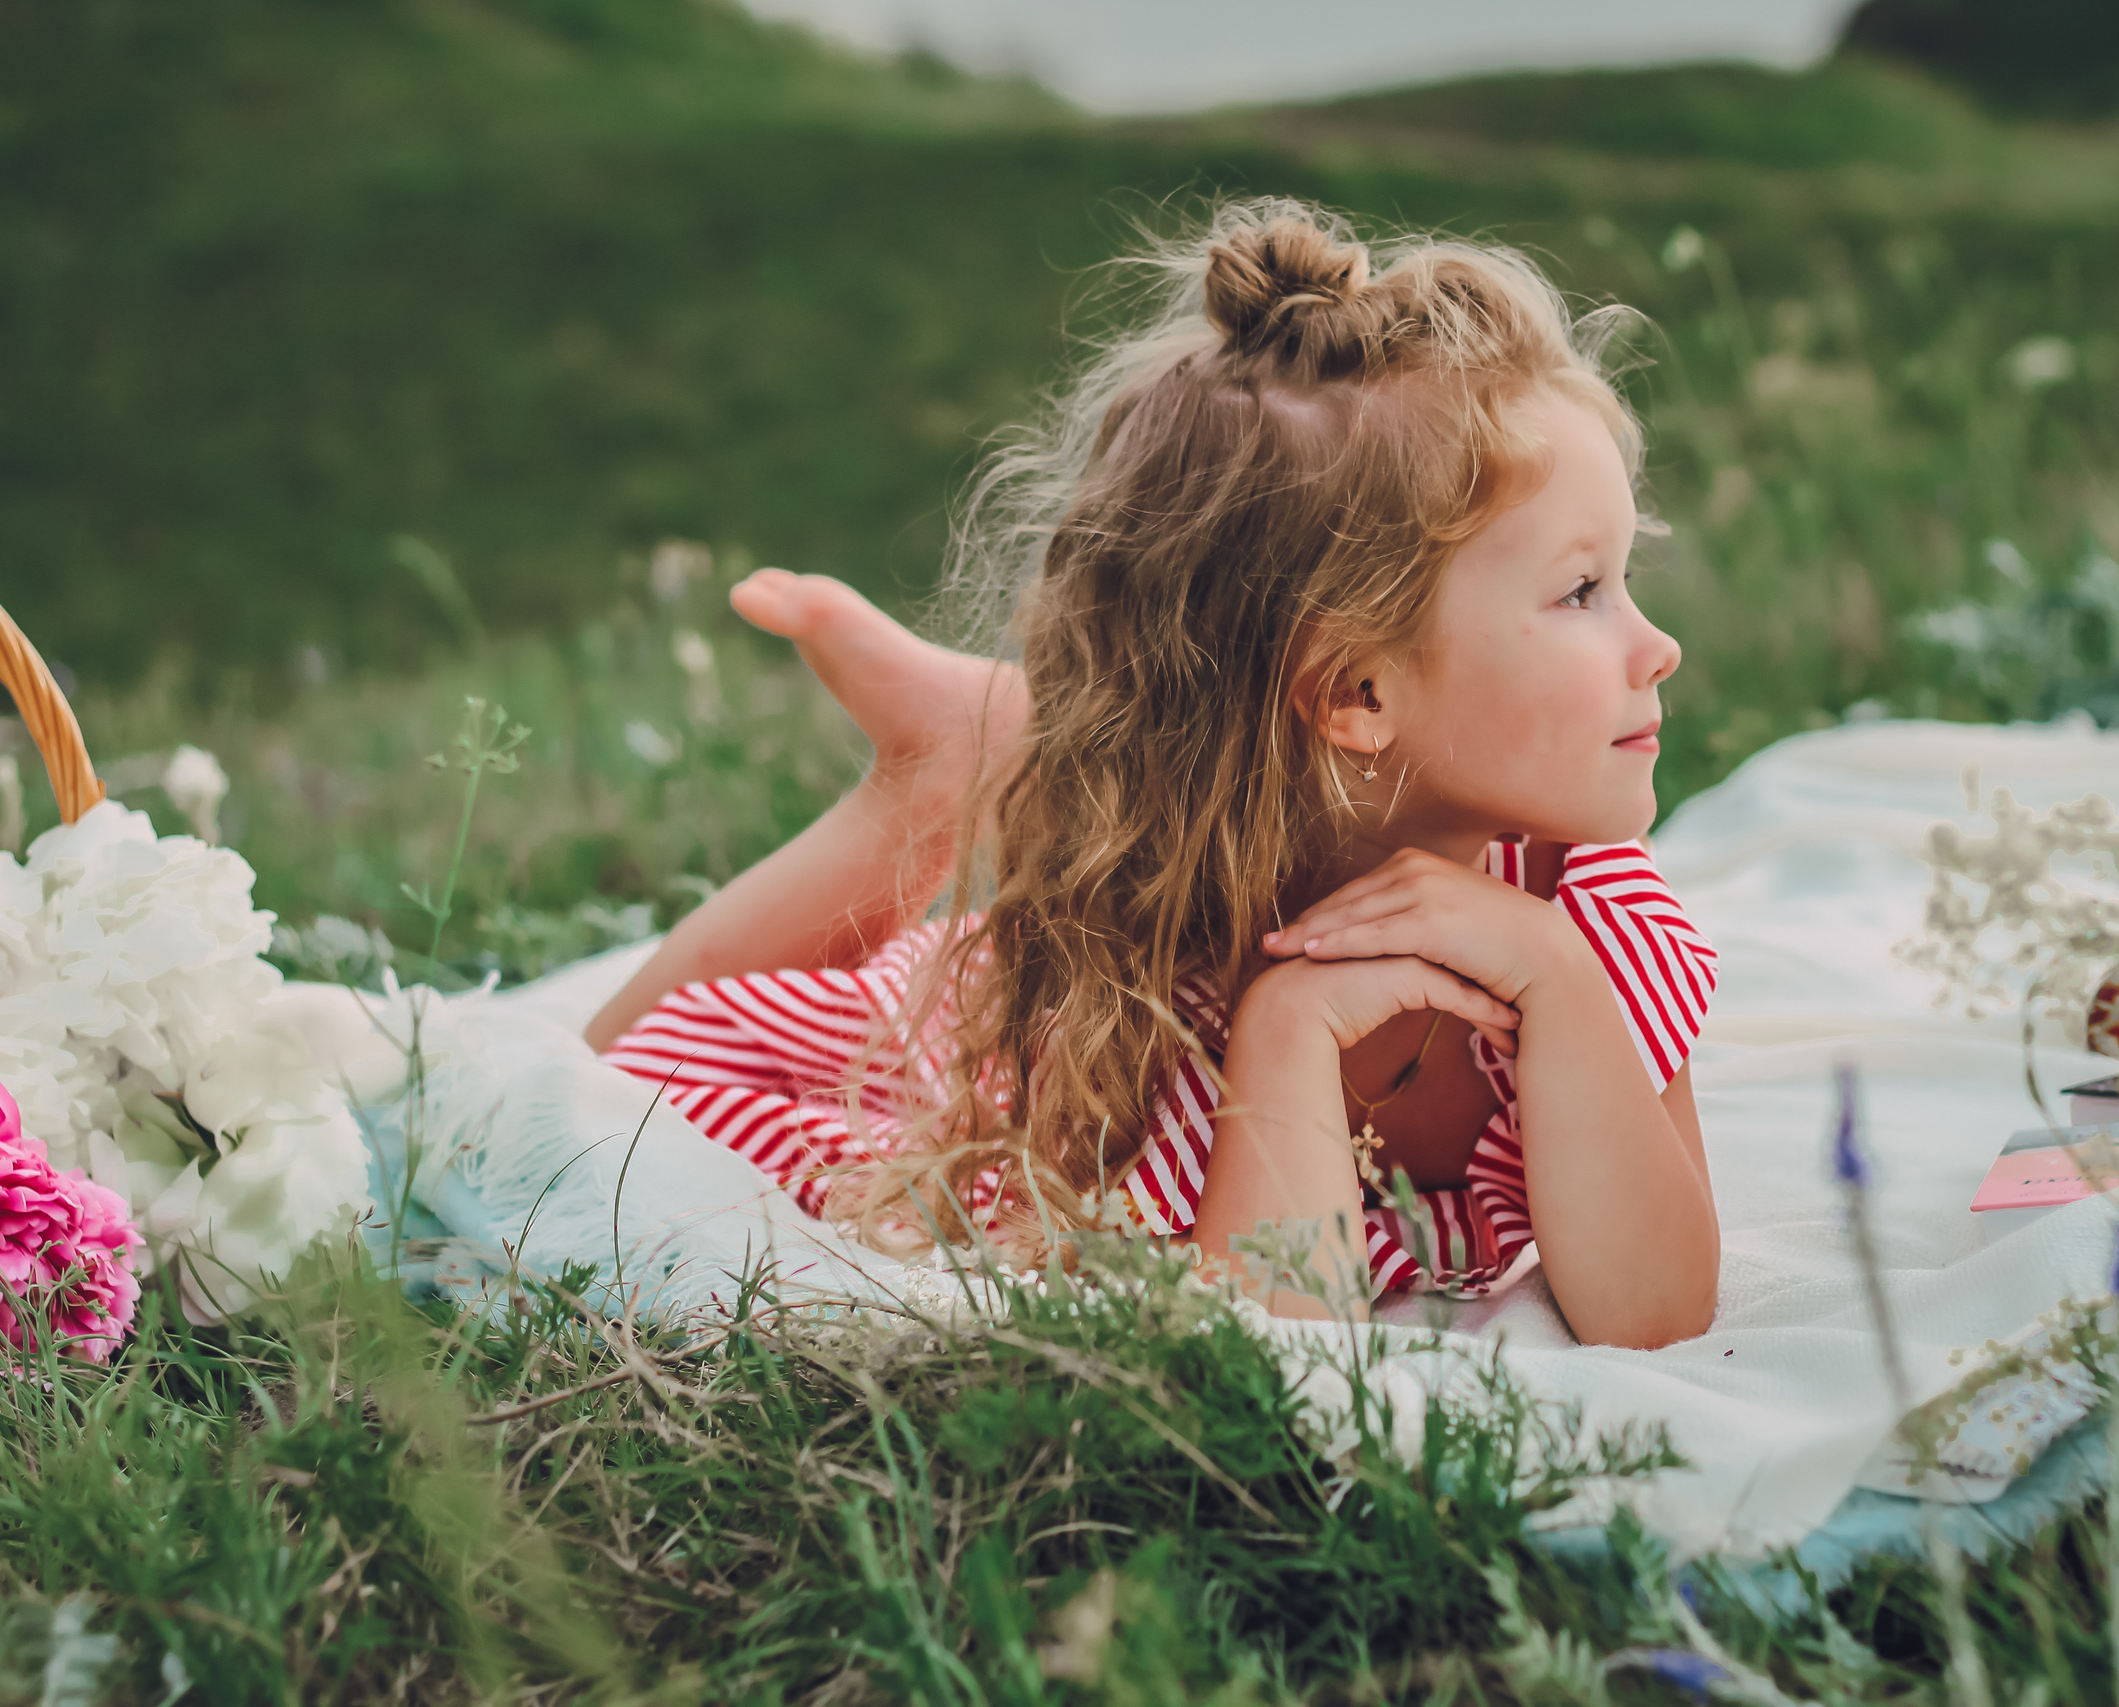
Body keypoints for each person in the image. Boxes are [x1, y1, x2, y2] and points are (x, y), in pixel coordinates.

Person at [585, 203, 1722, 1348]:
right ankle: (936, 779)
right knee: (615, 1085)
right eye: (1582, 594)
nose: (1656, 646)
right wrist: (1288, 1022)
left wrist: (1553, 977)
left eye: (1624, 581)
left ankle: (1005, 741)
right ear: (1356, 696)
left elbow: (1658, 1310)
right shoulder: (1146, 988)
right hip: (993, 1067)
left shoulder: (1588, 915)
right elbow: (1281, 1344)